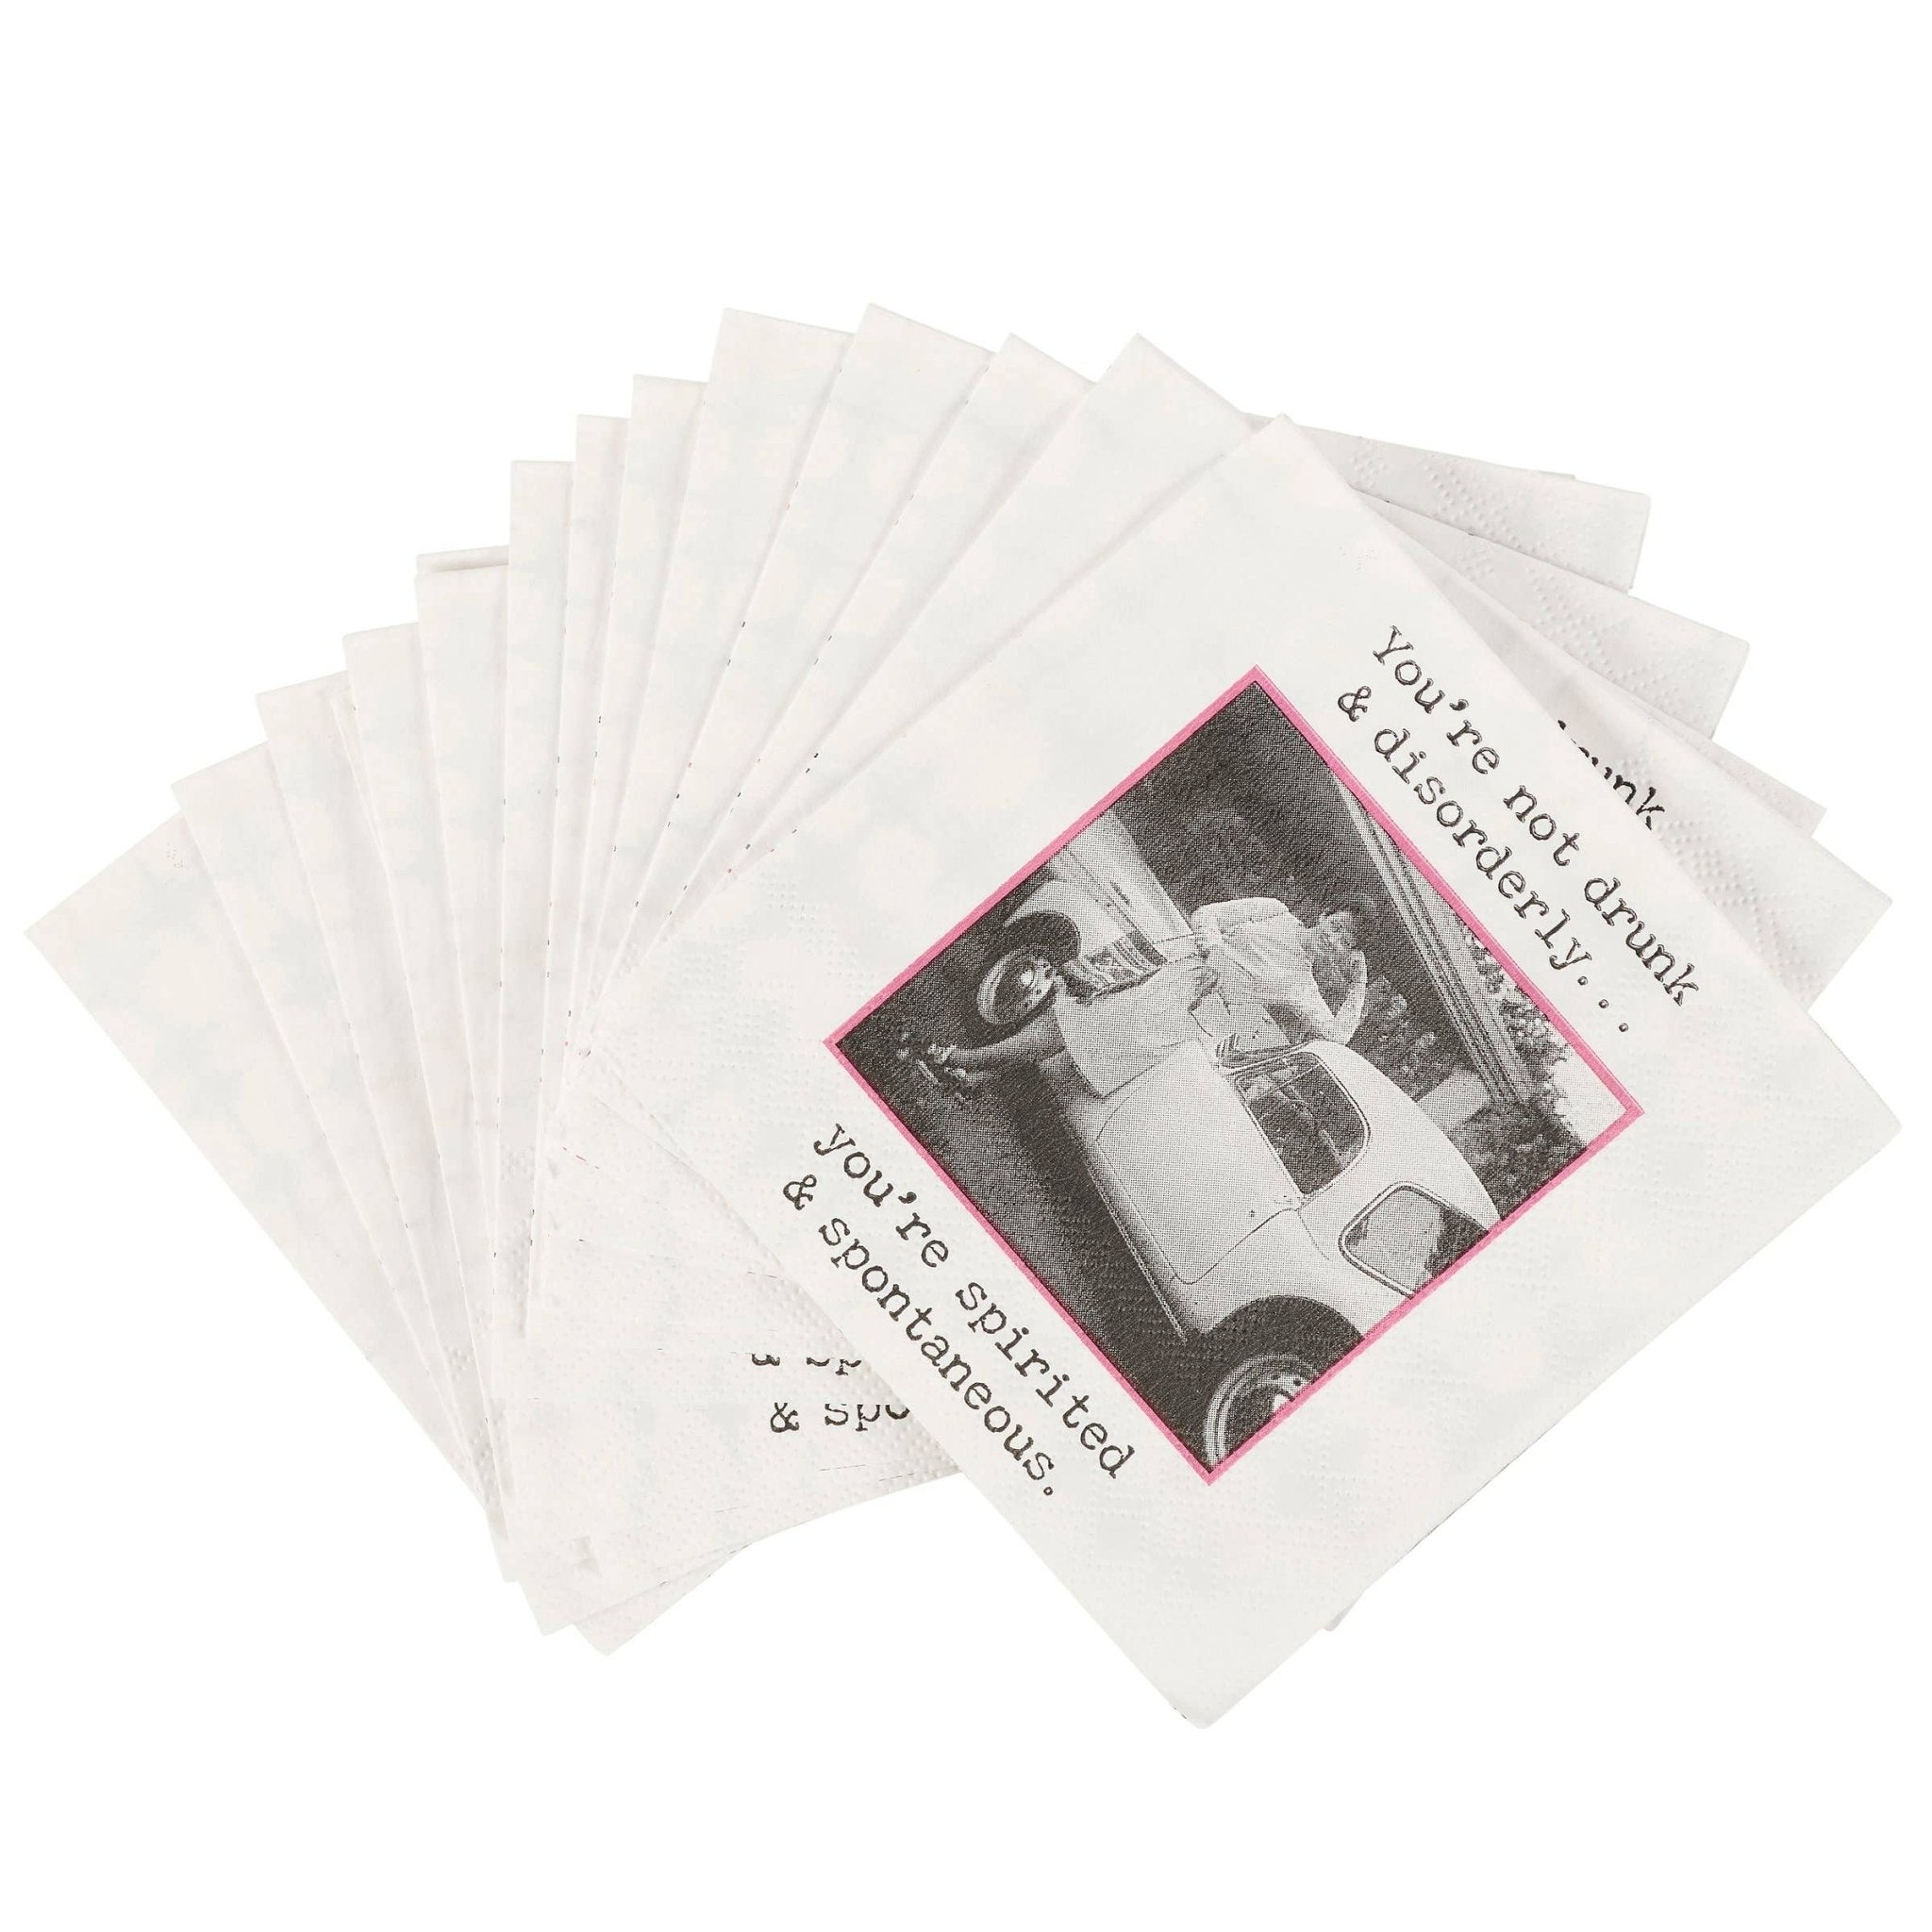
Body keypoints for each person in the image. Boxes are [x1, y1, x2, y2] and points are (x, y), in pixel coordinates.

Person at [923, 890, 1375, 1096]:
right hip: (1168, 977)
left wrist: (1358, 986)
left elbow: (1337, 1036)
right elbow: (1207, 915)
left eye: (1345, 941)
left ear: (1346, 954)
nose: (1334, 938)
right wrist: (1215, 951)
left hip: (1184, 1021)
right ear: (1324, 915)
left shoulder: (1302, 987)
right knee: (1070, 1023)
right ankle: (964, 1059)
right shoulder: (1273, 912)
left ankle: (975, 1075)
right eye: (1337, 925)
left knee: (1083, 1057)